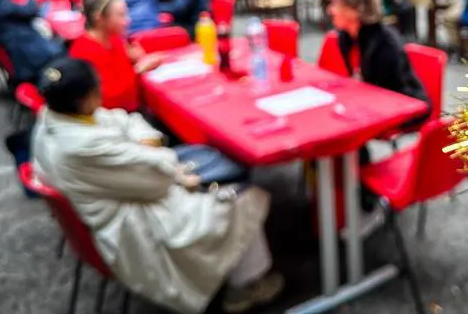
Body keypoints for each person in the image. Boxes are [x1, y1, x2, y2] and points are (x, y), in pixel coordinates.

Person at [31, 58, 283, 314]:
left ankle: (238, 273)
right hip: (134, 219)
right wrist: (153, 153)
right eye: (97, 89)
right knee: (242, 197)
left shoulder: (53, 117)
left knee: (208, 164)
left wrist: (144, 145)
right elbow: (156, 182)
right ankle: (246, 288)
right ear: (83, 100)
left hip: (122, 194)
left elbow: (123, 119)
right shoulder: (79, 147)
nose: (101, 92)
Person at [327, 0, 429, 124]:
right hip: (372, 99)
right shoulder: (346, 36)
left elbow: (386, 93)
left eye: (336, 5)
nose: (330, 10)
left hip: (403, 105)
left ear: (356, 11)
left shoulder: (385, 44)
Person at [69, 0, 161, 112]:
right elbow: (108, 100)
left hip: (134, 108)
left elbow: (122, 69)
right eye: (121, 15)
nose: (128, 20)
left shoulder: (115, 38)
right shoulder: (84, 52)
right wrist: (139, 69)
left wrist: (134, 59)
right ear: (99, 18)